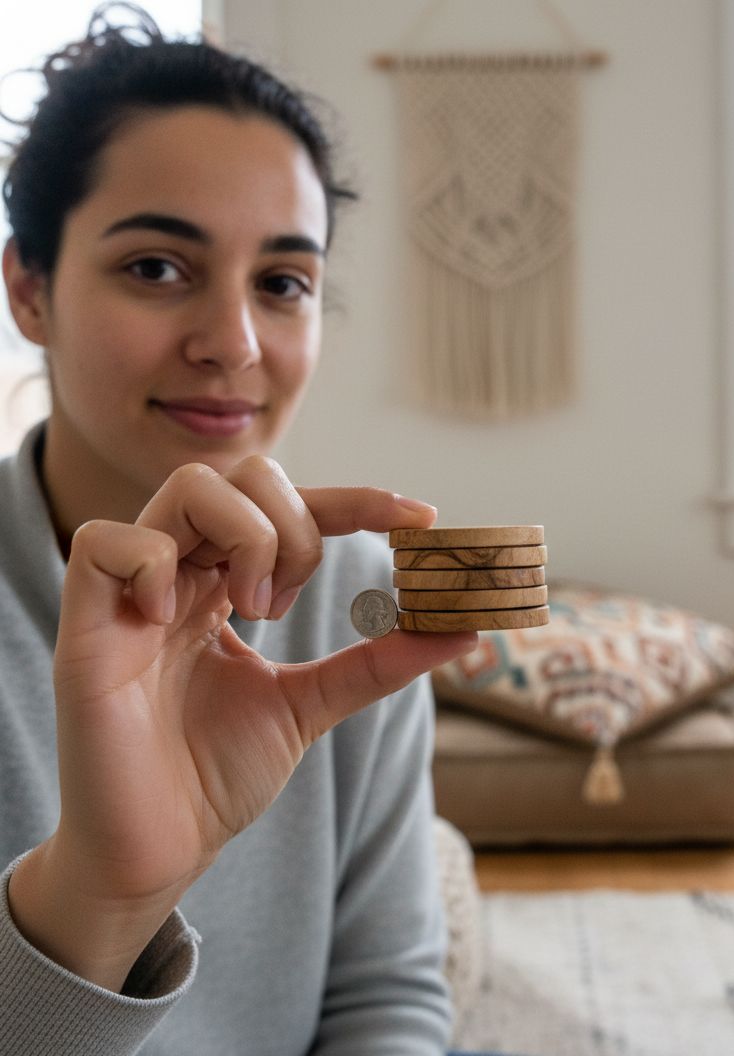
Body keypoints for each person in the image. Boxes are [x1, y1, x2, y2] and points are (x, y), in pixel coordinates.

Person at [0, 5, 481, 1053]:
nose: (233, 342)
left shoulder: (356, 602)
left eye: (282, 283)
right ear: (30, 289)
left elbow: (385, 1000)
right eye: (156, 268)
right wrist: (97, 899)